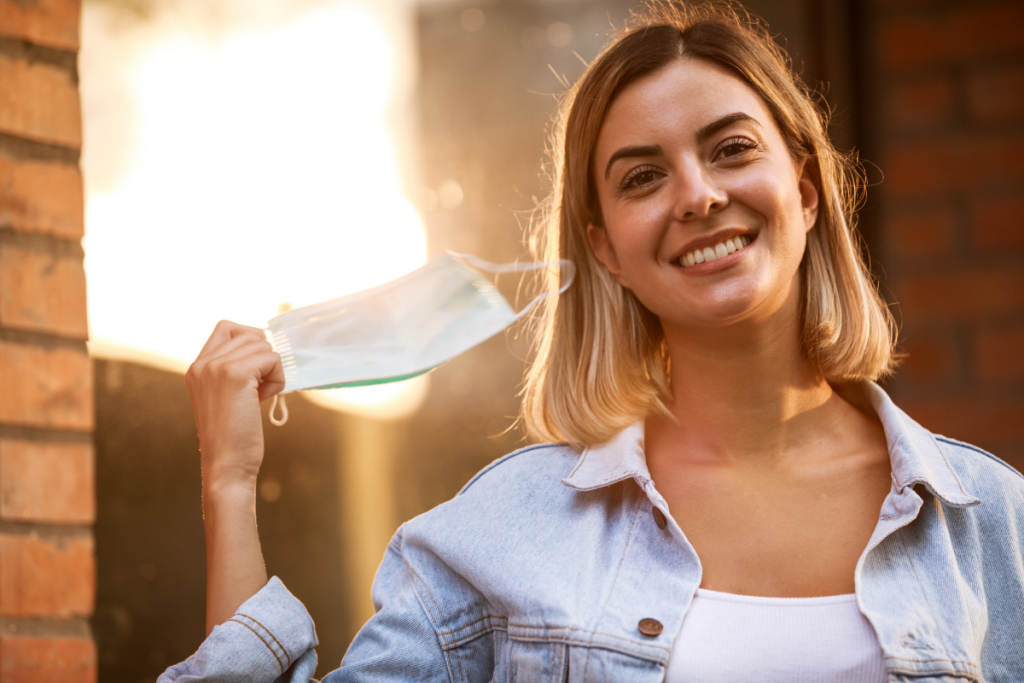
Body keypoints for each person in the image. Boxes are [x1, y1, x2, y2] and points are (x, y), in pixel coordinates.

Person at [160, 3, 1024, 682]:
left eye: (730, 150)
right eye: (643, 176)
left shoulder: (993, 523)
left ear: (802, 192)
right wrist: (228, 485)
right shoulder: (501, 534)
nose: (697, 195)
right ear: (604, 246)